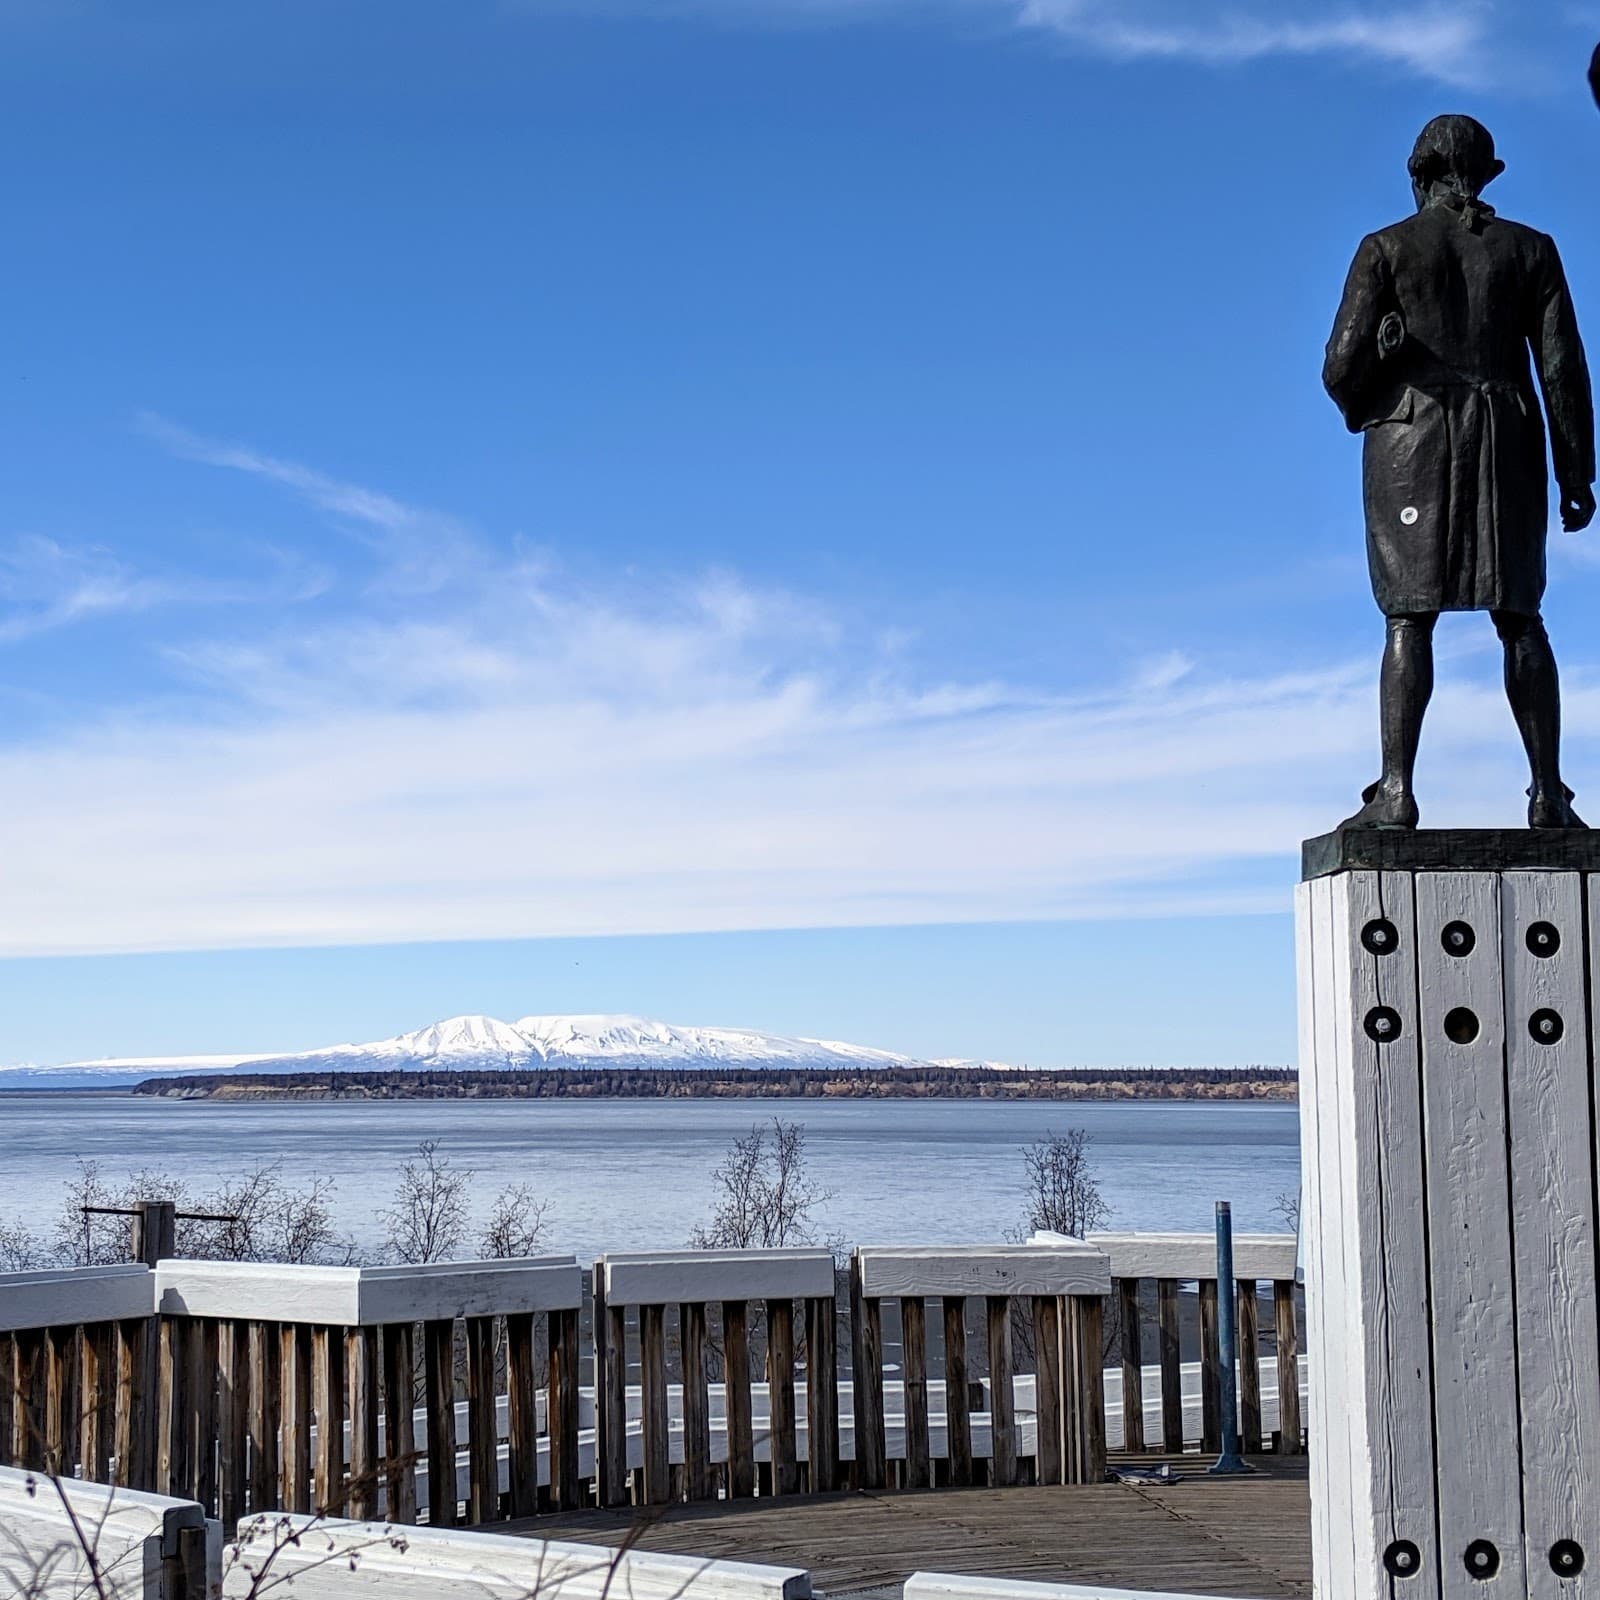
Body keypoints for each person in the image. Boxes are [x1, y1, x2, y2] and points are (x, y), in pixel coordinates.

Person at [1324, 115, 1595, 829]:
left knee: (1409, 619)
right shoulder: (1531, 250)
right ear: (1486, 174)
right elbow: (1562, 367)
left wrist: (1381, 372)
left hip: (1412, 443)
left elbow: (1339, 369)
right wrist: (1577, 470)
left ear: (1419, 173)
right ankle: (1547, 792)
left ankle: (1395, 790)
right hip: (1507, 437)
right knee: (1521, 616)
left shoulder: (1385, 248)